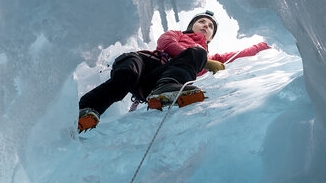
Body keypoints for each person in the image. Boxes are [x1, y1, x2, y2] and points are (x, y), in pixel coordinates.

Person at [77, 11, 271, 132]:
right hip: (145, 61)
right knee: (127, 74)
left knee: (197, 53)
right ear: (192, 26)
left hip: (153, 84)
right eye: (202, 22)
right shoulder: (177, 34)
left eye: (210, 26)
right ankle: (88, 109)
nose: (206, 26)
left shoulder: (203, 54)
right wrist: (203, 62)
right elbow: (166, 43)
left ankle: (166, 88)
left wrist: (272, 38)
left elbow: (240, 54)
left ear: (211, 36)